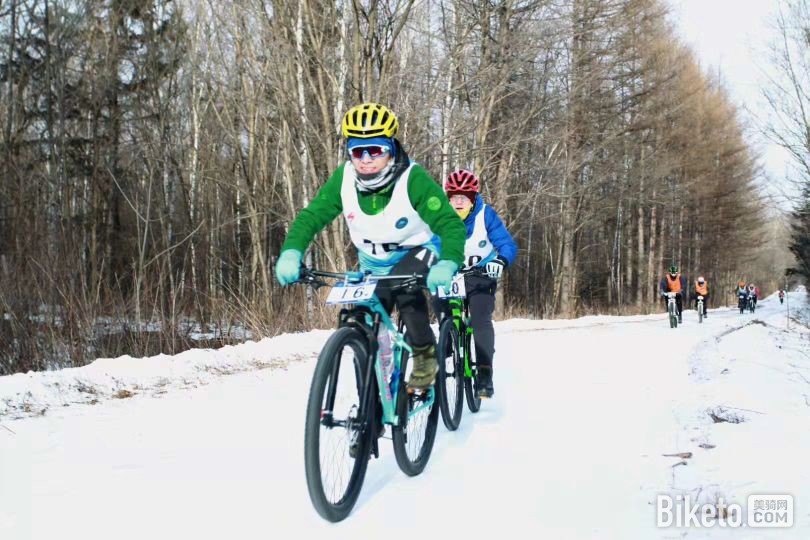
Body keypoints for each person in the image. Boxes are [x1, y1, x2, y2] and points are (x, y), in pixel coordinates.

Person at [274, 102, 466, 391]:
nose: (365, 159)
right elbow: (312, 216)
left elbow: (450, 224)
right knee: (363, 322)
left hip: (416, 249)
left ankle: (425, 355)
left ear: (390, 147)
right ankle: (373, 403)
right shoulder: (345, 179)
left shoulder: (412, 179)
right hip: (372, 260)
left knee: (405, 288)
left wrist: (448, 262)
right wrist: (292, 252)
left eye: (375, 150)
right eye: (356, 150)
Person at [435, 169, 517, 398]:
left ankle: (484, 373)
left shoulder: (486, 215)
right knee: (438, 299)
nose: (459, 202)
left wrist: (501, 260)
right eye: (454, 197)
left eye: (464, 197)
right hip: (452, 274)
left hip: (480, 274)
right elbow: (429, 244)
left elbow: (506, 244)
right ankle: (447, 341)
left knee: (481, 318)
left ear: (472, 200)